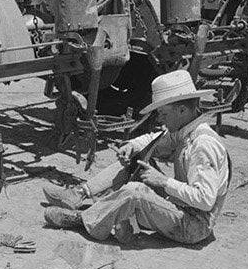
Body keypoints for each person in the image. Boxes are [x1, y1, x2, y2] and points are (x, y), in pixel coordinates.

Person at [41, 70, 230, 245]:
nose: (160, 119)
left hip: (193, 225)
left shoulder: (203, 144)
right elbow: (154, 139)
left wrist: (164, 181)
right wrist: (131, 146)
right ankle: (79, 195)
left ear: (182, 110)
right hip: (179, 207)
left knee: (135, 191)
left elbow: (205, 200)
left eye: (164, 114)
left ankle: (82, 220)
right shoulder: (184, 130)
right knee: (136, 159)